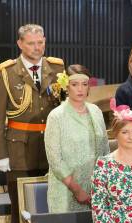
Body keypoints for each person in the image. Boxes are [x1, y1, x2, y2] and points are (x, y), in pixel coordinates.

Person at [0, 23, 64, 223]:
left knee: (50, 201)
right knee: (20, 203)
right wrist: (1, 154)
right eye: (31, 43)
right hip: (18, 148)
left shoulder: (56, 68)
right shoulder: (6, 73)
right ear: (20, 44)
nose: (37, 48)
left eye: (40, 42)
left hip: (49, 147)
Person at [45, 64, 109, 212]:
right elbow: (55, 159)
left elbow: (105, 150)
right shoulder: (56, 116)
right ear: (66, 86)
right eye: (75, 84)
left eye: (84, 84)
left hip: (96, 189)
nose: (80, 89)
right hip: (65, 190)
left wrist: (102, 185)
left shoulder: (96, 111)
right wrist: (77, 189)